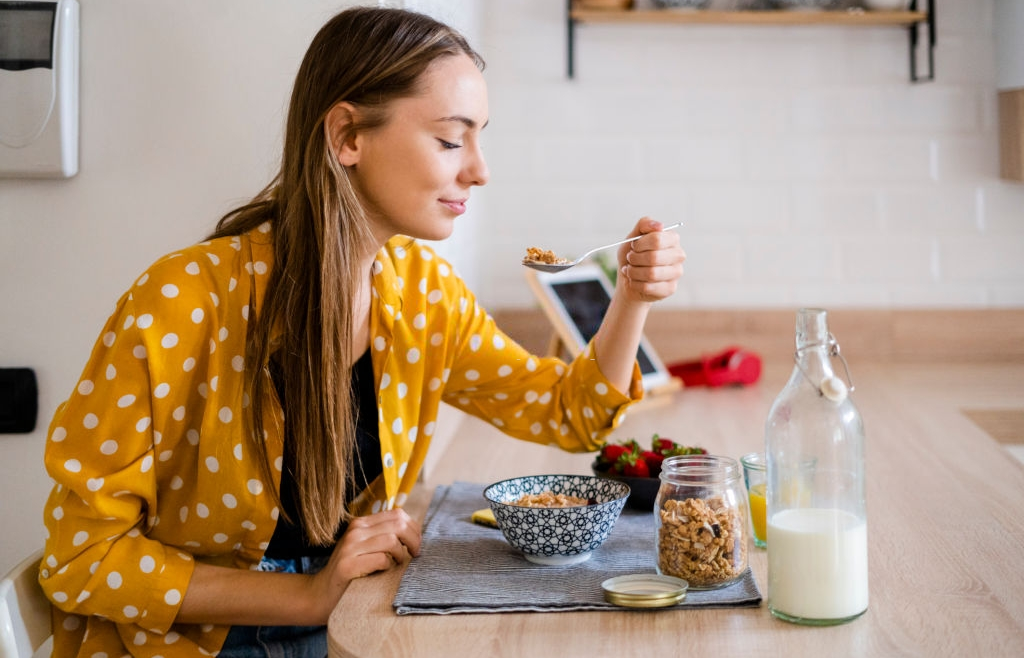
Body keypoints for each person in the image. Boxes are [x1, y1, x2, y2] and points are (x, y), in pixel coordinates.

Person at [38, 6, 685, 657]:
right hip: (196, 641)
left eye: (479, 137)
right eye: (452, 139)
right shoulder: (183, 301)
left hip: (354, 620)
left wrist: (631, 299)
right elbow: (82, 559)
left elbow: (564, 415)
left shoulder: (424, 295)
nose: (480, 170)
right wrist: (309, 594)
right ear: (347, 135)